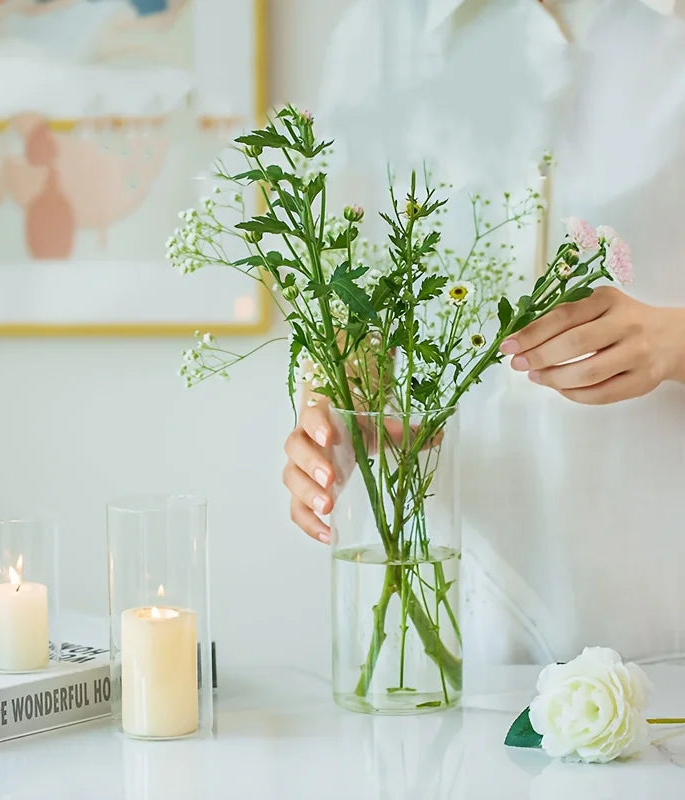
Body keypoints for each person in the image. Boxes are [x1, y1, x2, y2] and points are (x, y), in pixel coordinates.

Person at [282, 0, 685, 679]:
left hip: (662, 603)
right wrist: (340, 410)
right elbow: (348, 307)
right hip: (452, 620)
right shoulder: (378, 35)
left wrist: (676, 341)